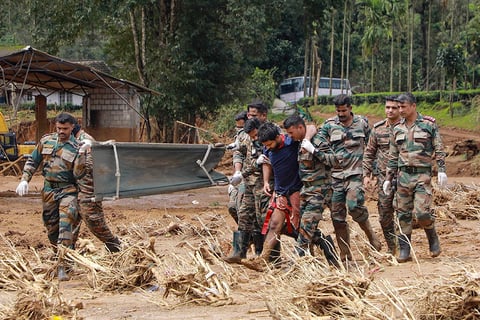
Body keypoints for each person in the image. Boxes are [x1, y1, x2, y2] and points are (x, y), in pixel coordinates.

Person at [15, 112, 83, 281]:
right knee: (51, 227)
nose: (61, 131)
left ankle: (62, 265)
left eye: (65, 129)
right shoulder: (46, 141)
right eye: (59, 128)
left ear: (72, 127)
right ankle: (62, 253)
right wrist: (24, 180)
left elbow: (84, 175)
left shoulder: (77, 148)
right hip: (48, 190)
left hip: (68, 191)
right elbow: (33, 160)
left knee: (65, 224)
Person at [317, 94, 382, 262]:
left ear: (350, 108)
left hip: (356, 174)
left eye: (344, 110)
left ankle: (371, 235)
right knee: (337, 216)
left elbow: (372, 147)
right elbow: (319, 144)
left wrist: (372, 172)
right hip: (336, 176)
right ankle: (345, 253)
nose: (341, 114)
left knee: (354, 206)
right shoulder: (329, 126)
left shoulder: (362, 123)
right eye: (338, 111)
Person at [383, 92, 447, 263]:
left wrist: (441, 169)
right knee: (402, 213)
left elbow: (439, 147)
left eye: (403, 107)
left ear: (413, 106)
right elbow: (393, 155)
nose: (400, 110)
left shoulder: (428, 125)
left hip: (422, 175)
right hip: (403, 176)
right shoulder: (396, 128)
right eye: (399, 107)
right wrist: (388, 178)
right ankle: (405, 249)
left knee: (422, 212)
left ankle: (432, 237)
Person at [242, 121, 303, 271]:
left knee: (302, 228)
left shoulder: (292, 142)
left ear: (278, 137)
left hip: (297, 191)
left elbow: (311, 128)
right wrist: (266, 182)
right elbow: (267, 162)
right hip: (281, 192)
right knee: (274, 225)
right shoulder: (267, 147)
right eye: (266, 146)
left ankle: (311, 256)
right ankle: (263, 259)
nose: (267, 147)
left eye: (269, 144)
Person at [284, 114, 339, 266]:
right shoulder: (301, 141)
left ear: (300, 128)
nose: (290, 136)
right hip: (306, 191)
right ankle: (332, 258)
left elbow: (335, 161)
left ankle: (297, 260)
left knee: (307, 224)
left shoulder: (317, 141)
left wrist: (314, 151)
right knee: (304, 227)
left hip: (319, 191)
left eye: (291, 132)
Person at [225, 102, 269, 263]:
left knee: (262, 219)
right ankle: (239, 252)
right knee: (243, 214)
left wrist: (241, 174)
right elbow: (240, 153)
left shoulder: (270, 133)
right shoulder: (246, 133)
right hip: (248, 182)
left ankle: (264, 254)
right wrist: (237, 172)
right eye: (249, 115)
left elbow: (262, 161)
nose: (249, 118)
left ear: (263, 115)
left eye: (254, 115)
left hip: (264, 183)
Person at [72, 122, 122, 253]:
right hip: (76, 192)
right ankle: (67, 255)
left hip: (88, 193)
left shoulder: (85, 141)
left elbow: (88, 170)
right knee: (70, 225)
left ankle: (115, 247)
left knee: (95, 223)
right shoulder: (75, 141)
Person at [363, 96, 401, 254]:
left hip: (404, 177)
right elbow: (369, 152)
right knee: (384, 214)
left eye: (393, 107)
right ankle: (393, 247)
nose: (390, 110)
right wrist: (366, 174)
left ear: (400, 109)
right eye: (387, 107)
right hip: (384, 178)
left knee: (405, 213)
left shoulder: (407, 127)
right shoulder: (378, 129)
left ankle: (404, 247)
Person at [226, 110, 249, 222]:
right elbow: (237, 154)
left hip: (252, 177)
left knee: (244, 211)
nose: (239, 130)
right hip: (242, 175)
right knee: (232, 207)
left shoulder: (258, 135)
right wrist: (237, 172)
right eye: (237, 127)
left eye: (241, 127)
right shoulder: (240, 136)